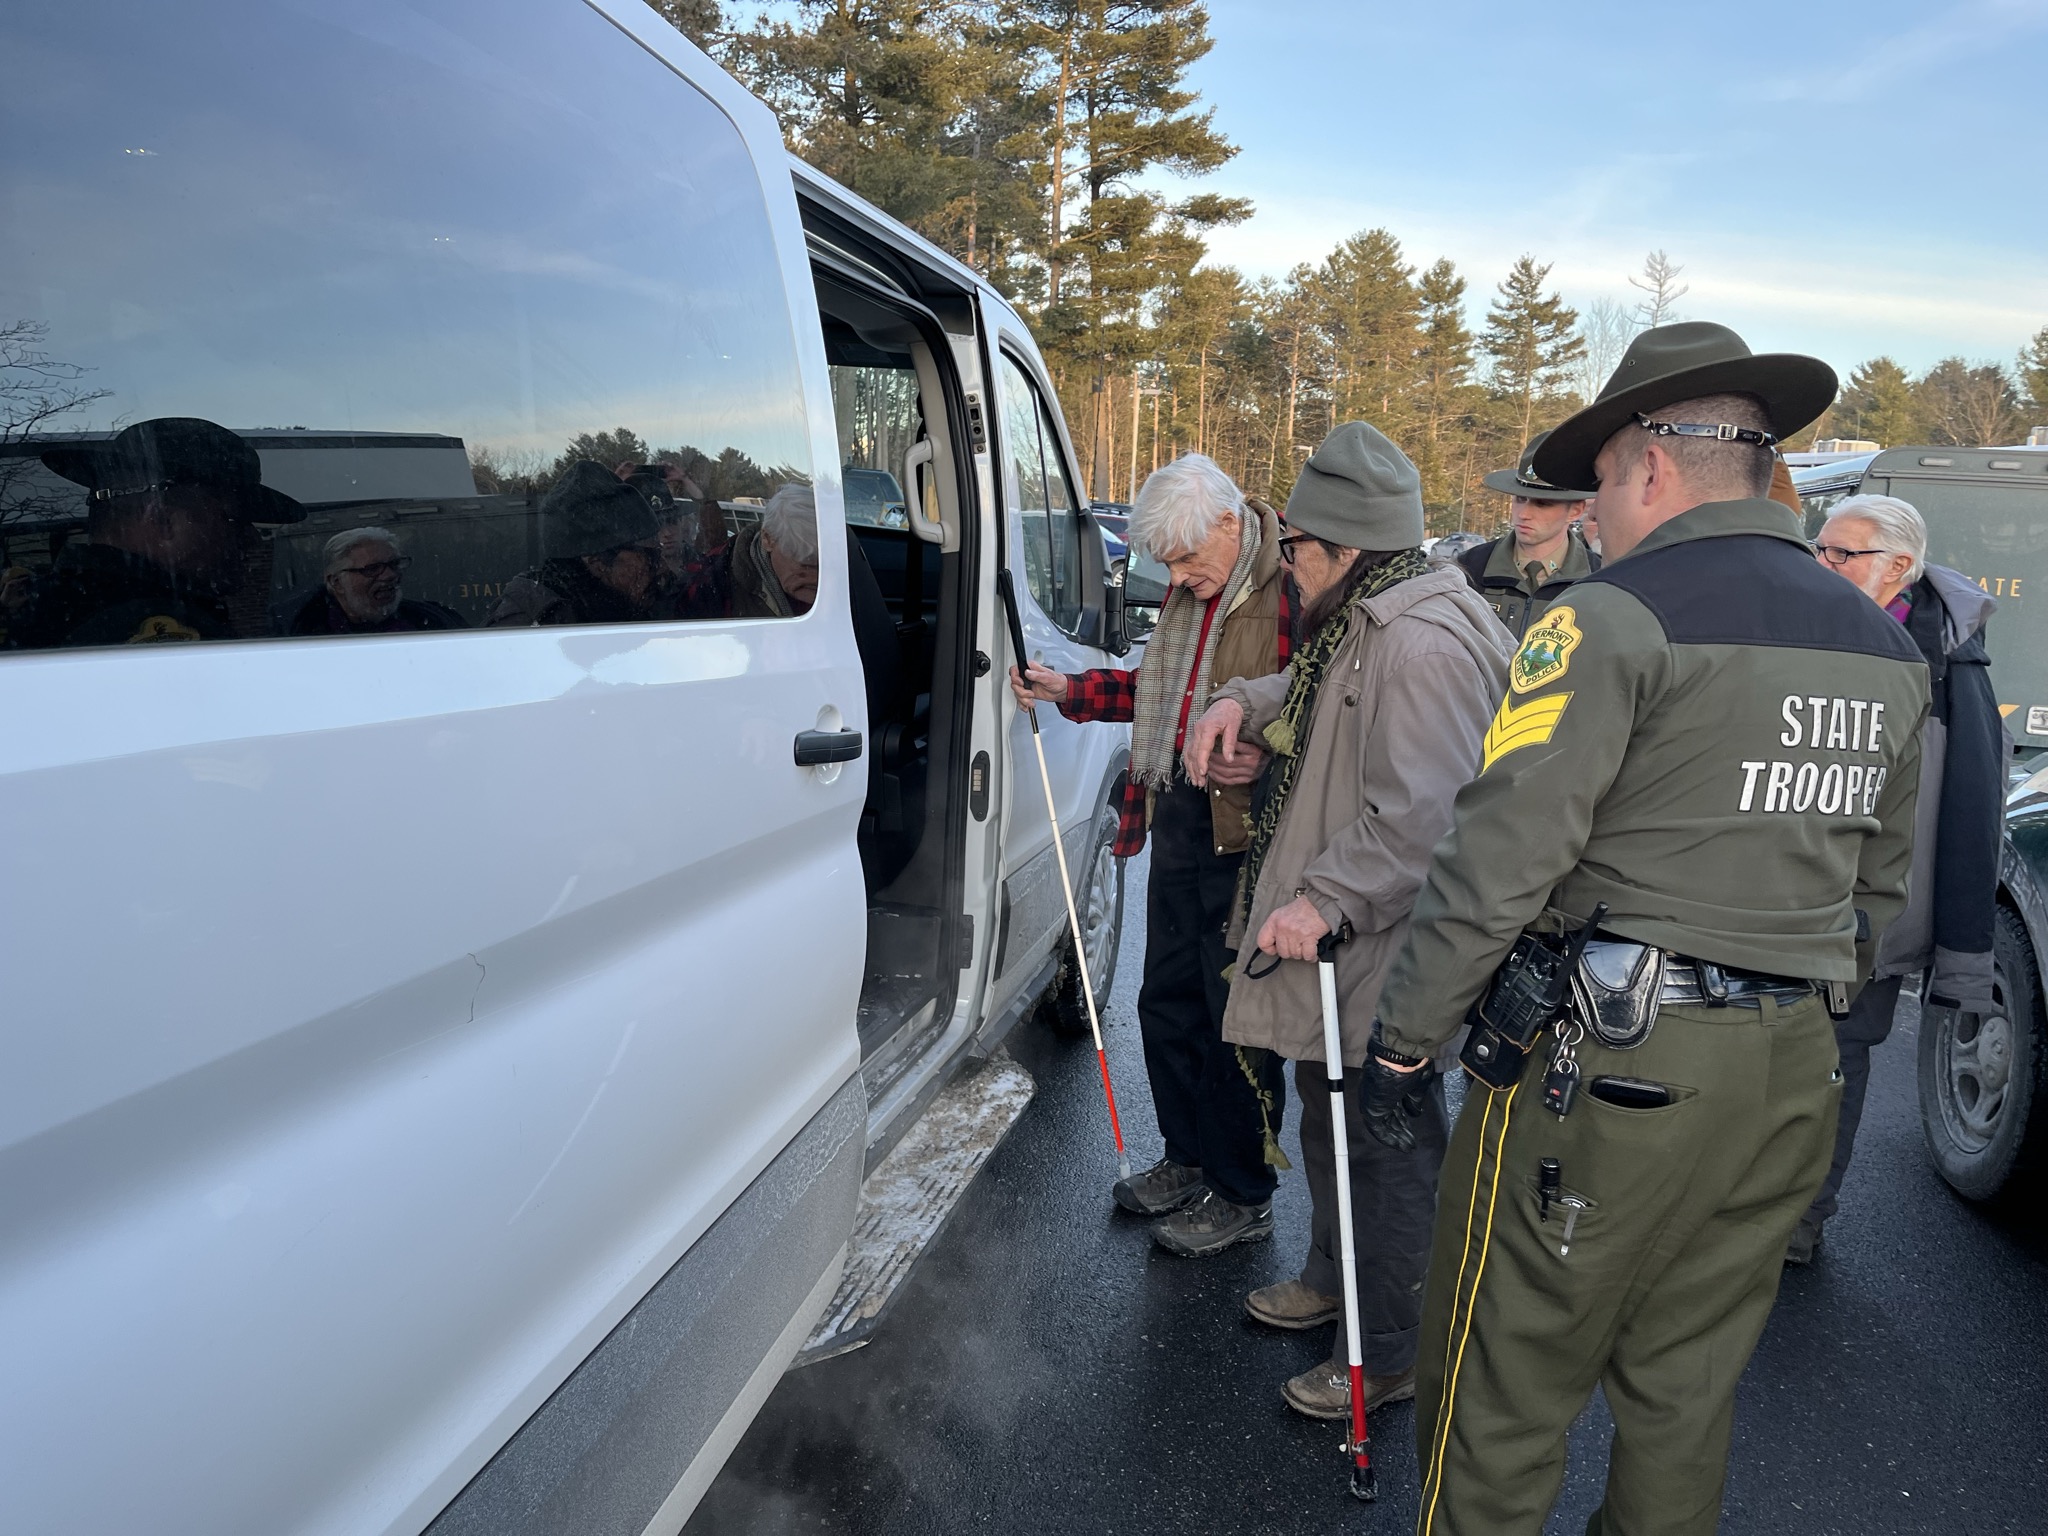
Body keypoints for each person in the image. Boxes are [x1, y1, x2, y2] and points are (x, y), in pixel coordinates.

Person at [1359, 321, 1930, 1536]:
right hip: (1787, 1076)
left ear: (1646, 468)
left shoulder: (1603, 619)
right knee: (1682, 1395)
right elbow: (1876, 888)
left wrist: (1404, 1040)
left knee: (1499, 1388)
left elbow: (1497, 858)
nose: (1591, 516)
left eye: (1596, 486)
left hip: (1608, 1067)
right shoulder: (1881, 644)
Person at [1183, 422, 1511, 1421]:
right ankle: (1333, 1281)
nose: (1283, 565)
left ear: (1348, 550)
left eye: (1295, 549)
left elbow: (1426, 814)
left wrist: (1322, 898)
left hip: (1386, 950)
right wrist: (1237, 700)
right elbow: (1316, 689)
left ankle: (1390, 1351)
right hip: (1345, 952)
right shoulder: (1368, 615)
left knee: (1383, 1145)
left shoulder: (1418, 641)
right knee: (1328, 1122)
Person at [1008, 453, 1294, 1256]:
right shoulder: (1192, 587)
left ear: (1231, 525)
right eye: (1165, 561)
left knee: (1235, 1013)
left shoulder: (1290, 591)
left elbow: (1316, 706)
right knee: (1167, 1000)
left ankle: (1244, 1193)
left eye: (1186, 558)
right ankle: (1186, 1158)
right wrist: (1072, 690)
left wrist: (1267, 751)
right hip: (1178, 811)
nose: (1177, 574)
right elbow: (1156, 693)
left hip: (1249, 835)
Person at [1795, 493, 2004, 1263]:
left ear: (1899, 568)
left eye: (1842, 553)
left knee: (1835, 1066)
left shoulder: (1948, 661)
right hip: (1784, 891)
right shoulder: (1807, 626)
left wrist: (1961, 956)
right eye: (1820, 548)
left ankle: (1801, 1224)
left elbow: (1972, 806)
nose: (1824, 563)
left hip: (1872, 913)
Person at [14, 416, 304, 649]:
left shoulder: (50, 607)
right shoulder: (160, 628)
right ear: (163, 520)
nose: (252, 538)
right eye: (235, 518)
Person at [1458, 430, 1600, 640]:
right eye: (1520, 499)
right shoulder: (1469, 570)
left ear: (1576, 511)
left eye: (1542, 503)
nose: (1523, 514)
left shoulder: (1597, 580)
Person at [489, 460, 664, 626]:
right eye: (650, 556)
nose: (659, 567)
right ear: (599, 563)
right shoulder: (531, 630)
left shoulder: (603, 608)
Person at [286, 526, 465, 635]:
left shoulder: (434, 621)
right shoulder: (291, 632)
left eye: (394, 564)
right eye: (372, 569)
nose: (389, 576)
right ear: (337, 582)